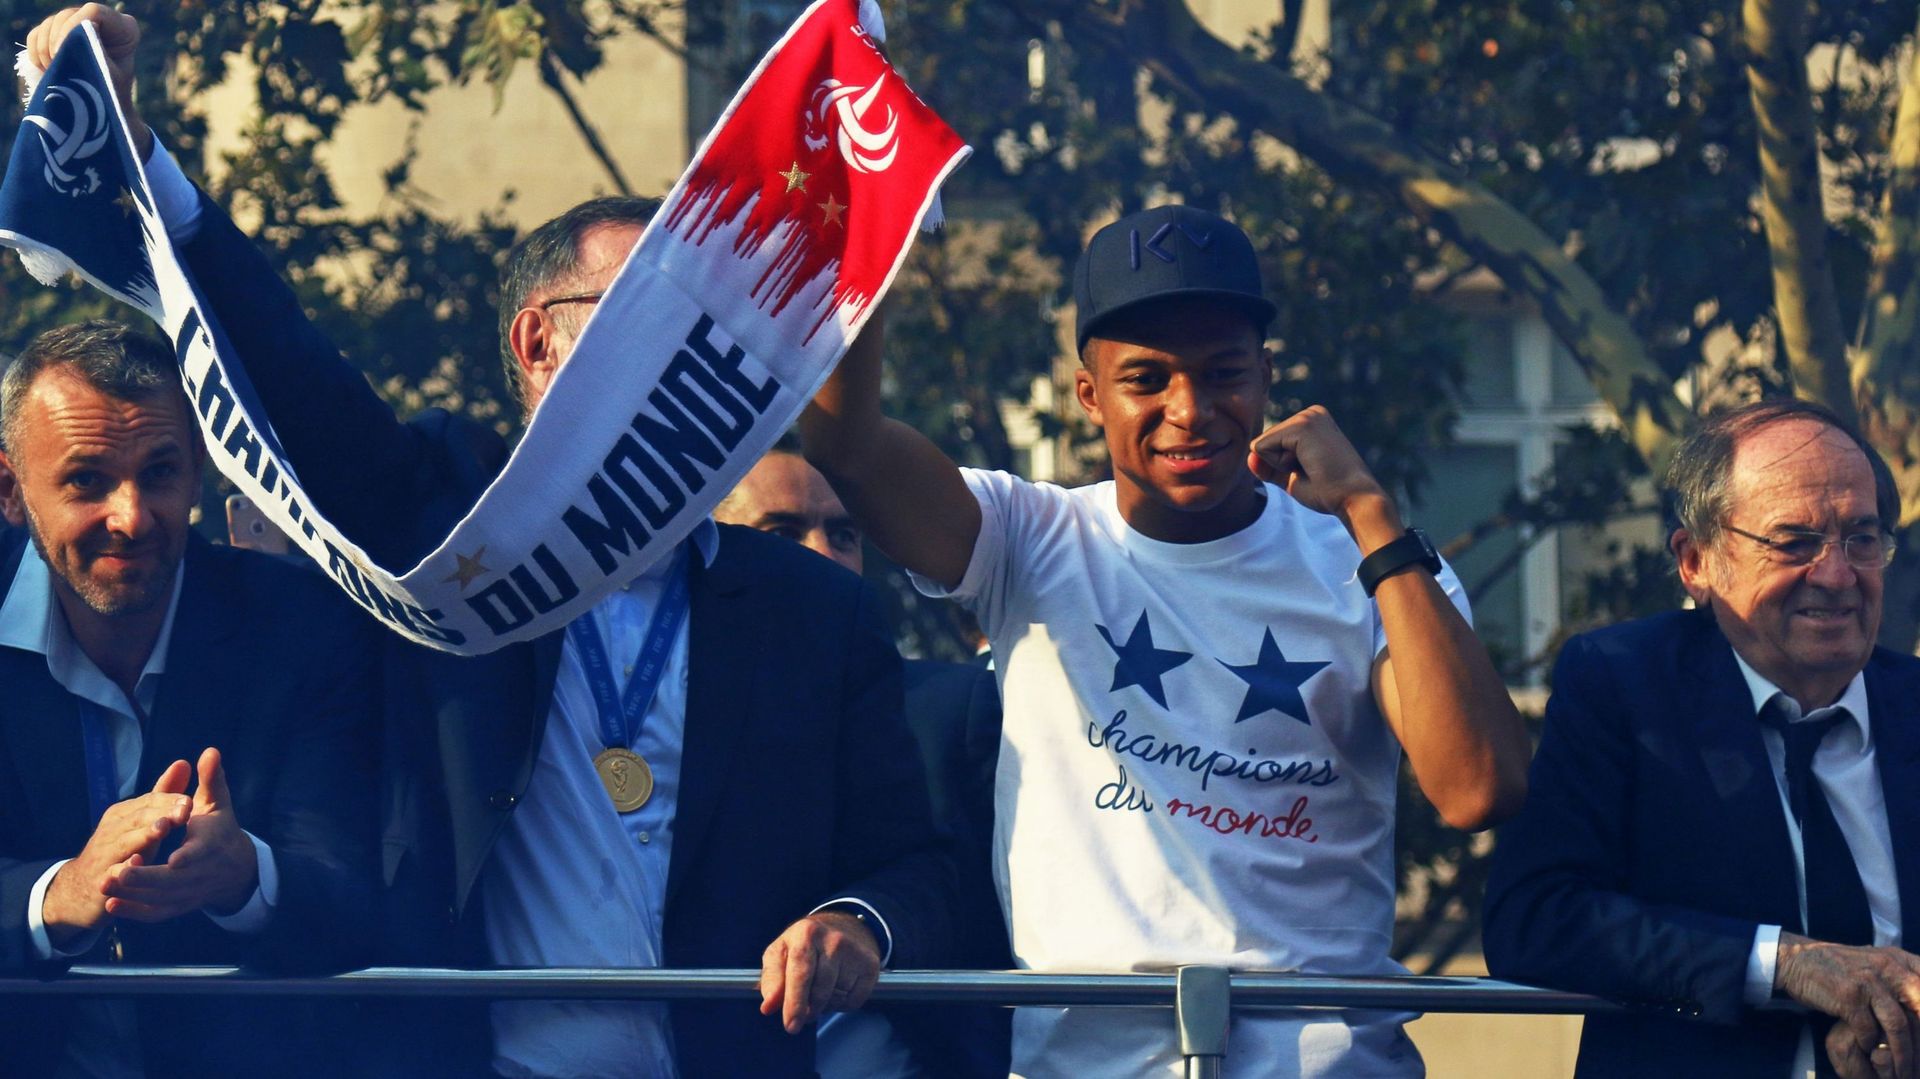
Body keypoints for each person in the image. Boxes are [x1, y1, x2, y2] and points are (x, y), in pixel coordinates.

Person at [25, 9, 955, 1075]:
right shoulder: (444, 524)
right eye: (640, 314)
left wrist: (856, 920)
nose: (677, 352)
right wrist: (135, 152)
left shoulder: (812, 606)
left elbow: (918, 865)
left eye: (695, 323)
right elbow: (285, 363)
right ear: (536, 345)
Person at [801, 202, 1531, 1076]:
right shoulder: (1026, 538)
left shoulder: (1372, 563)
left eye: (1223, 373)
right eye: (1147, 379)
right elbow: (844, 446)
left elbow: (1478, 789)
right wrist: (865, 235)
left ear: (1266, 378)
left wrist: (1372, 514)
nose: (1190, 410)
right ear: (1088, 394)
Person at [1484, 399, 1920, 1079]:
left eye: (1862, 538)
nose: (1837, 575)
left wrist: (1898, 1029)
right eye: (1795, 541)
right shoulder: (1626, 686)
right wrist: (1787, 966)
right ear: (1697, 561)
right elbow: (1536, 918)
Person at [0, 321, 378, 1076]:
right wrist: (58, 893)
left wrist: (246, 877)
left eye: (161, 472)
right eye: (87, 479)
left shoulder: (303, 625)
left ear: (200, 470)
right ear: (10, 489)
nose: (132, 516)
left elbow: (365, 898)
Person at [716, 447, 1011, 1078]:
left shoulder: (954, 711)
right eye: (782, 532)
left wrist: (865, 921)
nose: (823, 554)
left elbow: (981, 916)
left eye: (843, 533)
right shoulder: (664, 713)